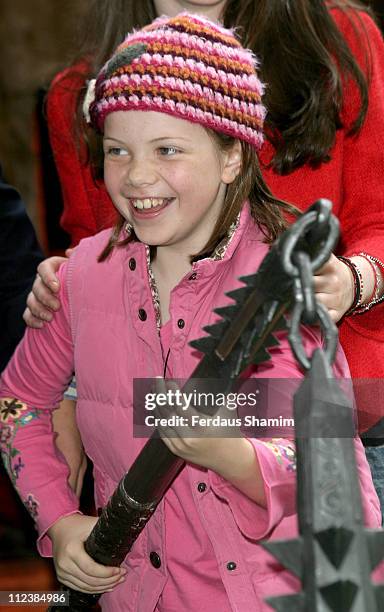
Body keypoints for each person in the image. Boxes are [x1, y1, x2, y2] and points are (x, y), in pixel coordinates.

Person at [1, 15, 380, 609]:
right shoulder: (77, 279)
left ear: (232, 155)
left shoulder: (275, 286)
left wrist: (227, 452)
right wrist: (58, 519)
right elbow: (20, 400)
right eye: (118, 151)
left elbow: (321, 455)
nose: (137, 177)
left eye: (168, 149)